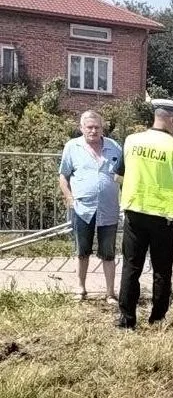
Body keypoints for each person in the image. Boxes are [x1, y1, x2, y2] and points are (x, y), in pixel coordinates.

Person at [115, 99, 173, 329]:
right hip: (164, 217)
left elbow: (118, 177)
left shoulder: (131, 141)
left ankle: (126, 320)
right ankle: (157, 318)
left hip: (135, 213)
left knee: (131, 267)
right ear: (171, 119)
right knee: (162, 270)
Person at [58, 110, 122, 304]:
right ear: (82, 129)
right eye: (89, 127)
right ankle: (80, 288)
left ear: (103, 128)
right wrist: (69, 197)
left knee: (108, 253)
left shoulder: (114, 147)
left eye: (97, 127)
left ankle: (110, 293)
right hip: (82, 209)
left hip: (109, 209)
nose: (93, 131)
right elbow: (63, 176)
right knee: (81, 250)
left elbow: (124, 174)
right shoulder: (72, 147)